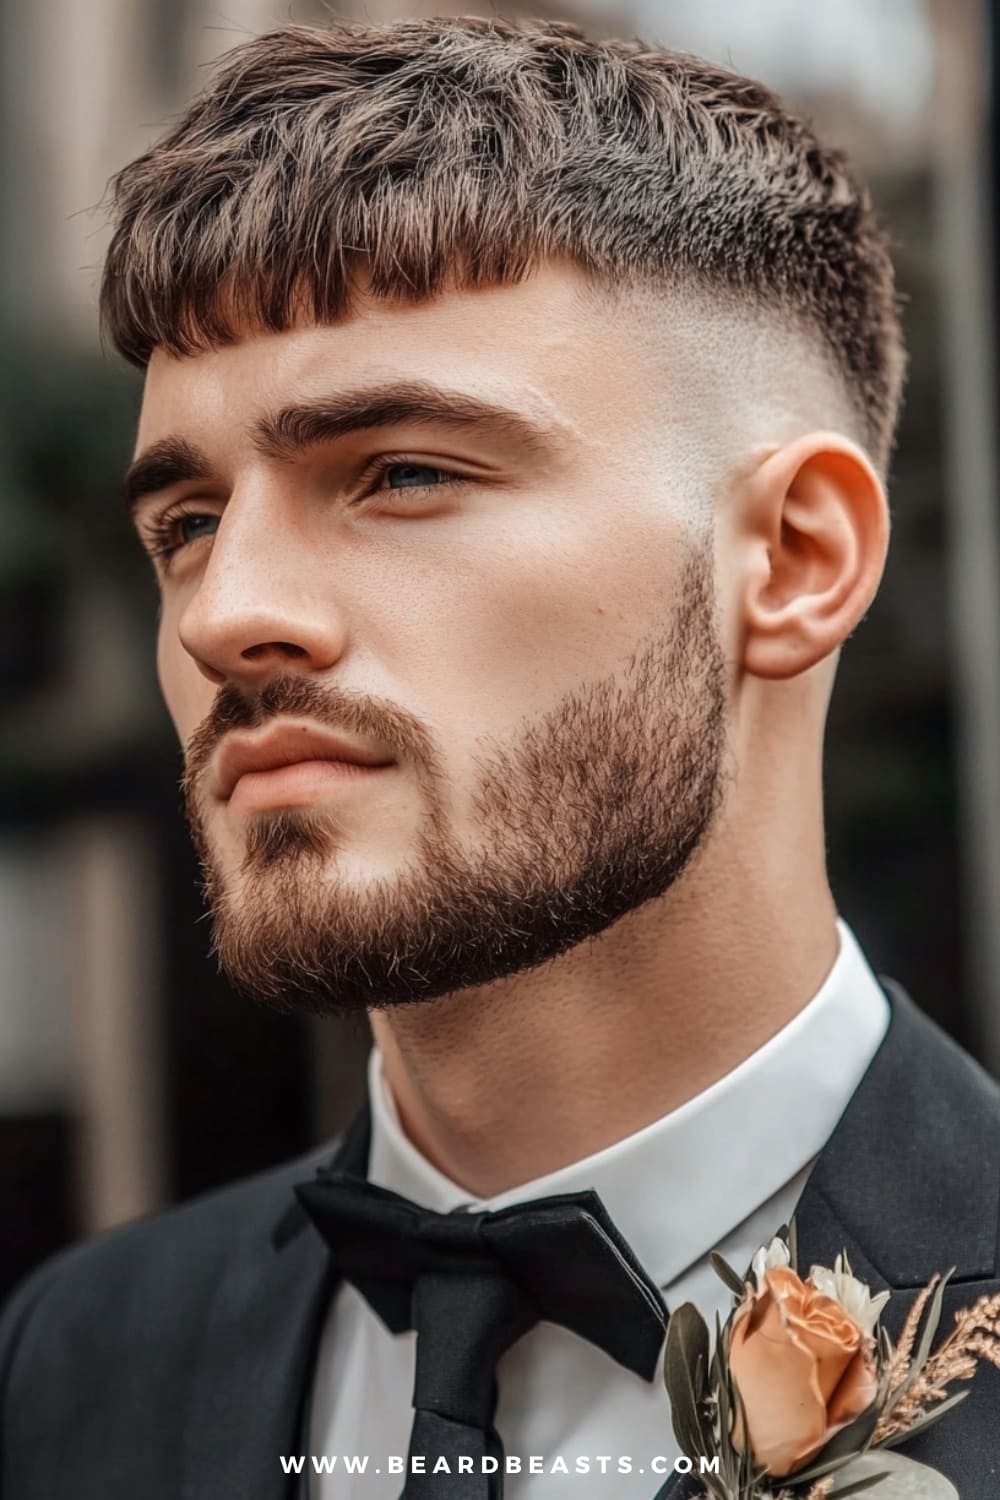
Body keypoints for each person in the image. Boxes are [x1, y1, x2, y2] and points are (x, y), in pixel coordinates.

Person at [2, 14, 998, 1499]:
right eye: (187, 524)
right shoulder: (71, 1363)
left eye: (401, 473)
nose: (226, 614)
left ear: (794, 559)